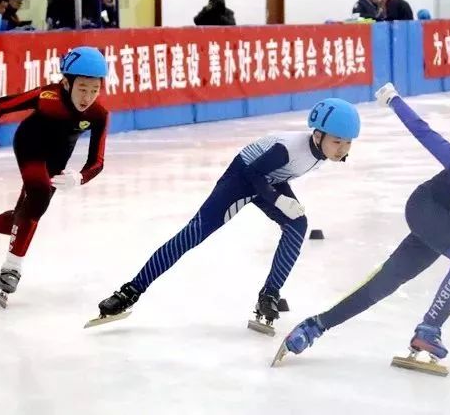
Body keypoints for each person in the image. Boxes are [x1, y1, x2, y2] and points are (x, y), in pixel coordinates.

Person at [274, 82, 450, 369]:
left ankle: (314, 326)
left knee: (385, 282)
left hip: (445, 227)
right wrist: (394, 100)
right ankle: (428, 331)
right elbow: (423, 131)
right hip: (423, 208)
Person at [90, 99, 361, 331]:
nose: (342, 148)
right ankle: (130, 291)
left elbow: (272, 178)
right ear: (317, 136)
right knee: (192, 234)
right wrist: (278, 199)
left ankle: (269, 294)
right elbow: (253, 173)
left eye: (348, 142)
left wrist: (278, 196)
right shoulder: (288, 148)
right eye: (337, 141)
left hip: (271, 180)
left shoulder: (323, 150)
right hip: (243, 176)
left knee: (297, 225)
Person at [0, 47, 110, 308]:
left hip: (57, 158)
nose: (88, 97)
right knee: (39, 197)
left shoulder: (98, 115)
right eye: (82, 88)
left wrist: (79, 178)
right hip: (30, 145)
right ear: (66, 82)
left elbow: (97, 161)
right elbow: (1, 105)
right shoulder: (47, 96)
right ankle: (11, 268)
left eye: (94, 90)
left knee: (25, 215)